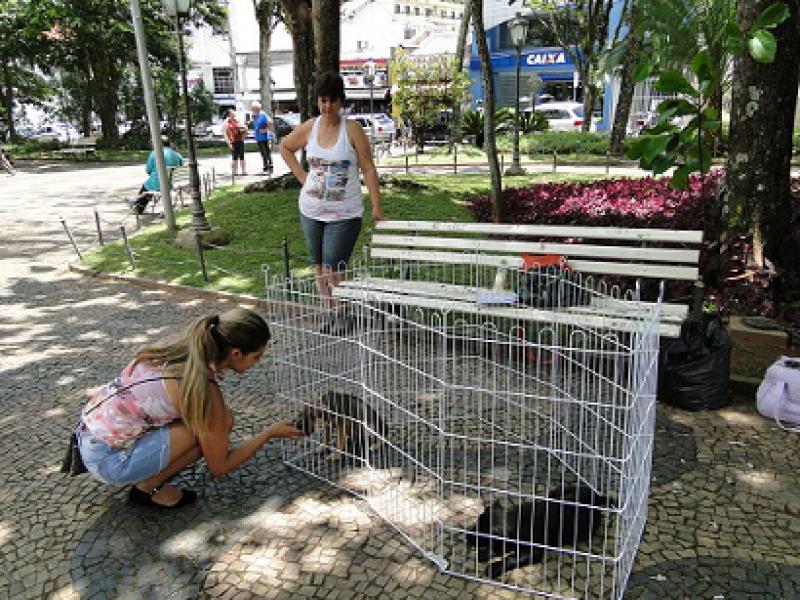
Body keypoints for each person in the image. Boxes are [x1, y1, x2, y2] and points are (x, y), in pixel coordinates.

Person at [75, 308, 304, 508]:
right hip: (108, 460)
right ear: (235, 353)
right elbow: (220, 466)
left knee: (220, 422)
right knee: (209, 432)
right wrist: (268, 433)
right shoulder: (203, 389)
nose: (259, 361)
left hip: (88, 430)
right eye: (257, 356)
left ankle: (148, 467)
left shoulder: (181, 345)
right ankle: (147, 487)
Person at [279, 71, 384, 328]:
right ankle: (328, 312)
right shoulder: (310, 127)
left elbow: (368, 169)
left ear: (341, 101)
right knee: (318, 267)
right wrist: (302, 177)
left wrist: (377, 207)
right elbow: (285, 147)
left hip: (344, 213)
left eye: (332, 101)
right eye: (322, 101)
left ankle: (342, 313)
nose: (327, 107)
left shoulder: (352, 130)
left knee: (334, 268)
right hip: (311, 210)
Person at [134, 136, 183, 215]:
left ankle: (138, 207)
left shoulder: (155, 153)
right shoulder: (176, 154)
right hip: (172, 183)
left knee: (147, 187)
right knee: (151, 185)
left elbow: (148, 170)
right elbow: (181, 165)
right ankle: (138, 205)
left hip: (159, 183)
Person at [251, 101, 274, 173]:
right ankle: (265, 166)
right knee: (262, 152)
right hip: (258, 136)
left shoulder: (263, 114)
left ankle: (270, 165)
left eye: (253, 108)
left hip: (264, 136)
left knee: (266, 151)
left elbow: (270, 122)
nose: (252, 109)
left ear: (257, 108)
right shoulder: (254, 115)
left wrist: (265, 129)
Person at [224, 109, 247, 176]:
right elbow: (225, 134)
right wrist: (229, 143)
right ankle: (234, 171)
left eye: (234, 112)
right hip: (233, 141)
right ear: (229, 114)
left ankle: (244, 171)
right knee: (234, 157)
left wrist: (244, 130)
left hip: (240, 140)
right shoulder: (227, 123)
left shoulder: (238, 121)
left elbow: (244, 129)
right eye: (232, 112)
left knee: (242, 156)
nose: (234, 113)